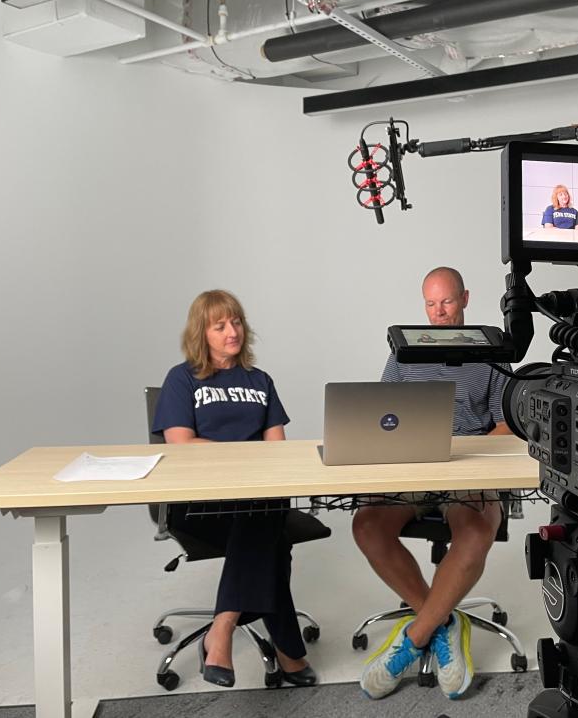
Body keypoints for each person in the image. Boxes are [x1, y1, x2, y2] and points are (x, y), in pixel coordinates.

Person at [354, 267, 511, 701]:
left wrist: (465, 454)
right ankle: (443, 620)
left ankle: (415, 637)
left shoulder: (492, 351)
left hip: (468, 469)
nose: (439, 313)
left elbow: (507, 426)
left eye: (447, 302)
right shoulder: (404, 352)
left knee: (478, 529)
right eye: (430, 304)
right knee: (366, 525)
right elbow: (382, 417)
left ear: (465, 298)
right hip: (414, 468)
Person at [152, 289, 317, 689]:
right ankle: (287, 650)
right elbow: (180, 445)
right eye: (220, 325)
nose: (232, 331)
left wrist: (257, 463)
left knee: (262, 514)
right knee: (269, 532)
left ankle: (221, 630)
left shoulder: (260, 380)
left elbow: (277, 449)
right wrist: (247, 455)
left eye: (237, 322)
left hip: (259, 498)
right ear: (201, 333)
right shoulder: (182, 378)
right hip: (202, 506)